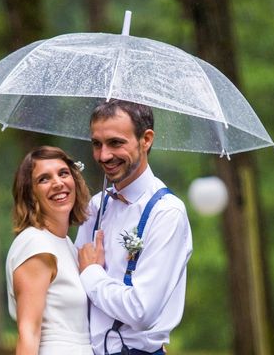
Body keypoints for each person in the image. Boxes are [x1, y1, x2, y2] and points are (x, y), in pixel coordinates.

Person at [76, 100, 193, 355]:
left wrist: (92, 274)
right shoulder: (95, 207)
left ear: (146, 139)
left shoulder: (166, 213)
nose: (103, 156)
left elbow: (142, 311)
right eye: (97, 144)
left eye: (115, 143)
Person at [5, 146, 93, 355]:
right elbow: (29, 333)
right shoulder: (36, 245)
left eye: (63, 173)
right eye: (44, 179)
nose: (58, 183)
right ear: (30, 193)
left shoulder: (65, 245)